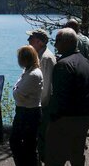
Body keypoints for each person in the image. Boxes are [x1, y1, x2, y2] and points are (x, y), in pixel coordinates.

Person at [45, 28, 89, 166]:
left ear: (66, 42)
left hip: (65, 121)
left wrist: (50, 119)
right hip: (84, 118)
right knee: (76, 156)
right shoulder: (87, 63)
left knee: (54, 158)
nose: (55, 45)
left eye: (57, 41)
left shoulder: (63, 65)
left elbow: (59, 97)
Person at [9, 45, 43, 166]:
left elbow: (17, 94)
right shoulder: (28, 71)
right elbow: (18, 90)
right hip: (26, 111)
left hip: (29, 112)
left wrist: (16, 89)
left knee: (24, 144)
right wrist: (17, 90)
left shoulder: (33, 74)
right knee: (26, 144)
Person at [26, 28, 56, 163]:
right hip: (39, 106)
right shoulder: (39, 55)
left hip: (43, 107)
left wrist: (38, 107)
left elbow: (46, 87)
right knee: (38, 138)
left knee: (42, 137)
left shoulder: (46, 58)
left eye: (31, 39)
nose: (28, 41)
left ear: (39, 42)